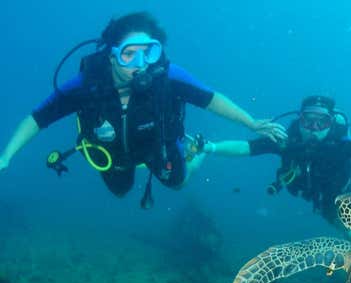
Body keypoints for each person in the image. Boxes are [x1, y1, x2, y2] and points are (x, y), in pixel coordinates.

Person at [0, 12, 285, 208]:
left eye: (148, 51)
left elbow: (211, 99)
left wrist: (251, 122)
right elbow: (37, 119)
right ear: (111, 57)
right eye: (128, 54)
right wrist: (6, 156)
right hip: (112, 154)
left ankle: (198, 153)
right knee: (120, 192)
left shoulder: (168, 76)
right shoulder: (87, 85)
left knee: (178, 183)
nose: (140, 64)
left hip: (158, 146)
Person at [202, 95, 351, 226]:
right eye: (308, 121)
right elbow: (247, 147)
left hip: (349, 188)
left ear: (331, 124)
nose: (314, 128)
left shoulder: (338, 144)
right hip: (321, 198)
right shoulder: (286, 140)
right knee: (344, 228)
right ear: (299, 121)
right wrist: (210, 147)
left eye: (321, 122)